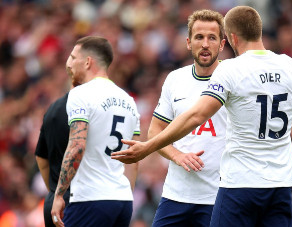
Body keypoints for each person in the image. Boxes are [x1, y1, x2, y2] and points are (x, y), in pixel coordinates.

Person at [111, 5, 292, 227]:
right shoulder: (287, 64)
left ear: (231, 39)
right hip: (279, 186)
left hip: (240, 185)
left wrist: (146, 149)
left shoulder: (231, 70)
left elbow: (196, 116)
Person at [51, 36, 141, 227]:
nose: (70, 64)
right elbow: (133, 159)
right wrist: (125, 196)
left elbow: (77, 145)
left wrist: (59, 194)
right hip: (122, 201)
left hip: (90, 199)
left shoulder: (80, 94)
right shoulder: (129, 101)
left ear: (87, 61)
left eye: (73, 58)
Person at [151, 9, 227, 227]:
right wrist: (177, 155)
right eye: (199, 37)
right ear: (188, 42)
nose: (205, 44)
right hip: (176, 195)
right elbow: (155, 131)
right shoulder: (175, 79)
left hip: (218, 196)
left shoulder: (234, 79)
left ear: (221, 44)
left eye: (212, 38)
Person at [35, 74, 80, 227]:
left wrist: (54, 189)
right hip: (80, 201)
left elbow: (41, 158)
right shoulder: (88, 112)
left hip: (54, 201)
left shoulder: (52, 110)